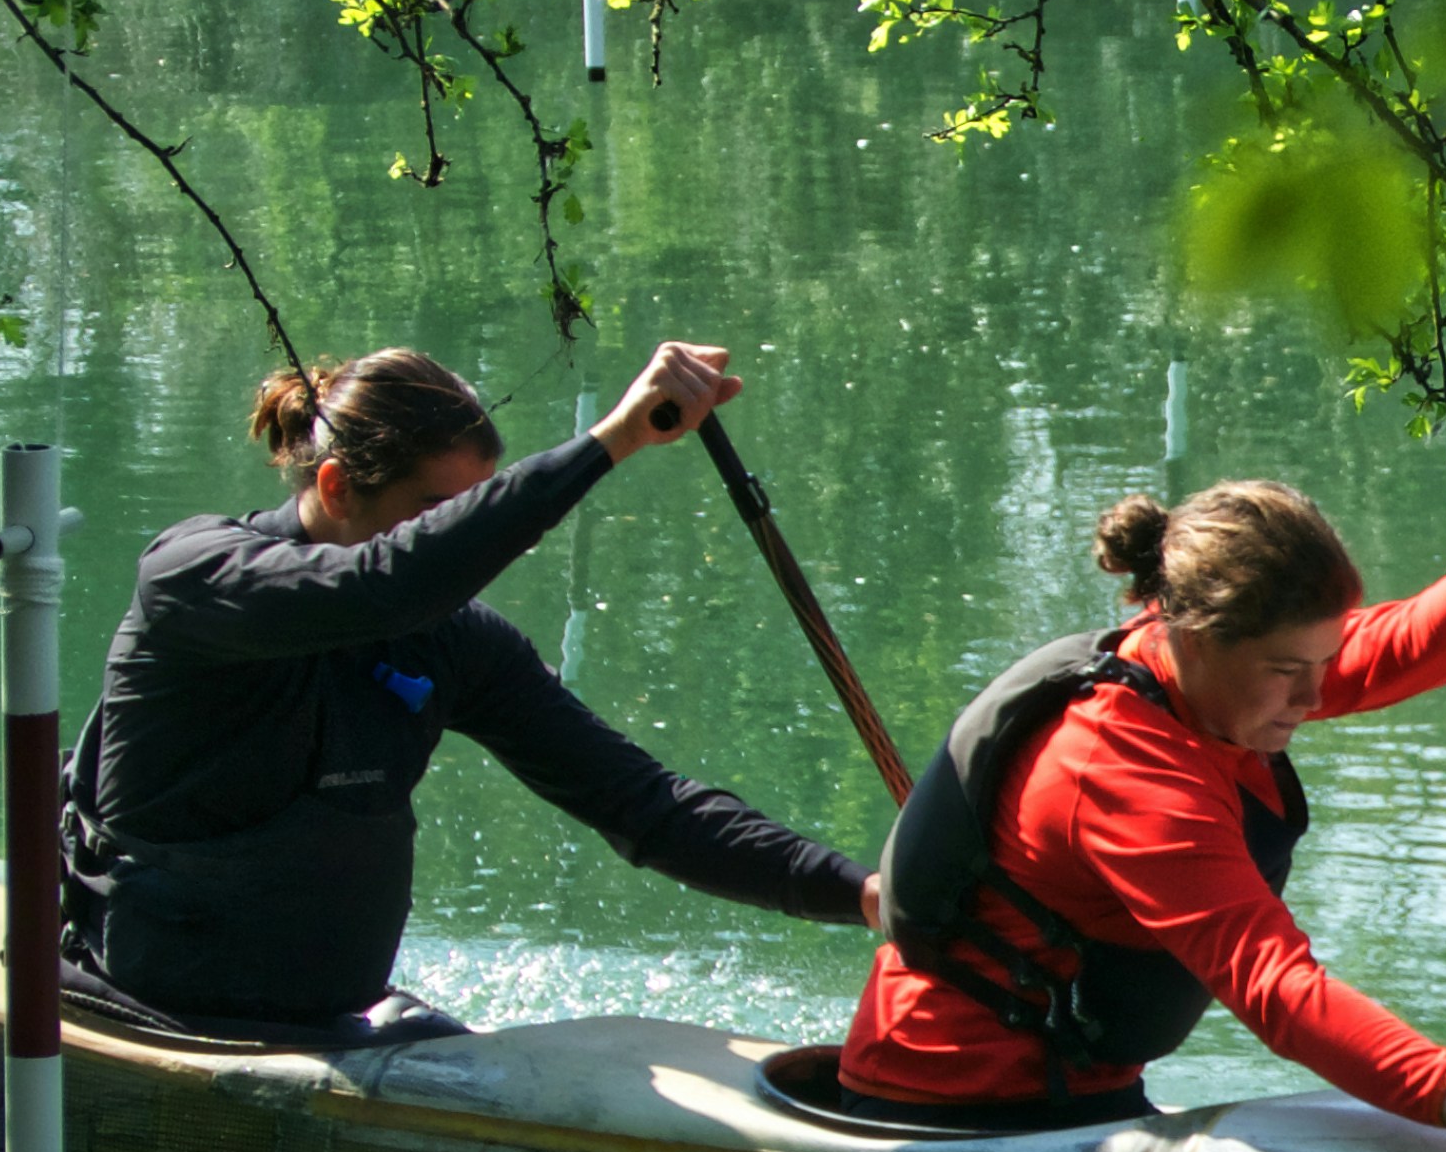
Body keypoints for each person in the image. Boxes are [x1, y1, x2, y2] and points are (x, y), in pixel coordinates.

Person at [60, 340, 868, 1049]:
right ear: (338, 487)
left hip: (331, 1021)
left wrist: (859, 892)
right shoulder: (194, 578)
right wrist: (611, 441)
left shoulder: (454, 642)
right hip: (155, 1003)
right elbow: (388, 583)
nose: (464, 543)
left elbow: (643, 806)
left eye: (473, 509)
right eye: (438, 513)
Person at [826, 474, 1446, 1152]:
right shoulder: (1124, 771)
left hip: (1070, 1093)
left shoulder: (1219, 673)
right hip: (953, 1115)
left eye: (1321, 663)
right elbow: (1275, 984)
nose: (1313, 694)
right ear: (1189, 632)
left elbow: (1389, 649)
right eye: (1288, 673)